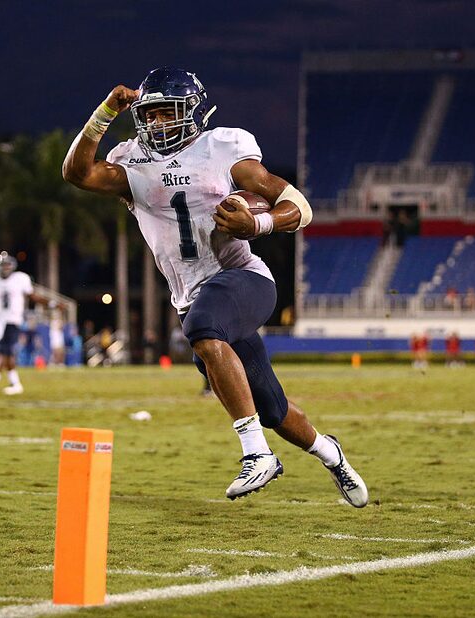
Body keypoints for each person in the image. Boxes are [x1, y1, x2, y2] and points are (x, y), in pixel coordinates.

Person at [62, 67, 368, 506]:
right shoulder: (132, 161)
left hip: (243, 278)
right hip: (193, 299)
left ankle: (256, 454)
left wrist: (258, 222)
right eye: (148, 116)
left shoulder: (224, 147)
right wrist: (106, 111)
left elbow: (296, 202)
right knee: (272, 407)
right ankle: (330, 453)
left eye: (166, 114)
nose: (155, 124)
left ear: (192, 112)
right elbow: (76, 173)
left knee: (205, 330)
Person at [0, 252, 51, 394]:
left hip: (13, 320)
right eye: (3, 265)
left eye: (7, 265)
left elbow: (32, 296)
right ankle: (0, 382)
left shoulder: (20, 279)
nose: (5, 268)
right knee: (3, 352)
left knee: (6, 352)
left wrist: (51, 303)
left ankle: (5, 383)